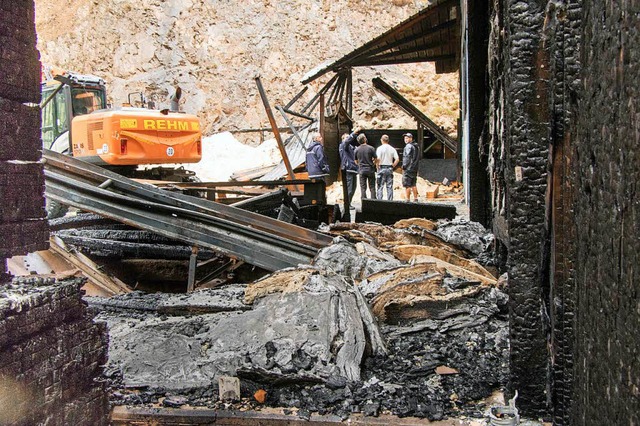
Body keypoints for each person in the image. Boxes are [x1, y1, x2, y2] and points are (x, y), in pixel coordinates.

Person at [339, 127, 361, 203]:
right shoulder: (343, 145)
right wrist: (354, 133)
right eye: (347, 137)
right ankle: (347, 205)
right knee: (349, 188)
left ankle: (349, 203)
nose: (349, 139)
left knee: (354, 188)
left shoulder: (350, 147)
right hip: (348, 168)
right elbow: (347, 142)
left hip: (353, 169)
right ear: (343, 139)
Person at [375, 134, 399, 200]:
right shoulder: (392, 149)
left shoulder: (379, 148)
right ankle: (390, 201)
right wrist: (393, 165)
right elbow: (397, 159)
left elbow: (378, 159)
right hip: (389, 168)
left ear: (381, 140)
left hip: (381, 167)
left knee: (380, 186)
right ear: (388, 140)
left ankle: (379, 201)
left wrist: (377, 167)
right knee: (389, 186)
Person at [354, 133, 377, 200]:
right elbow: (376, 159)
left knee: (363, 187)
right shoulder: (371, 148)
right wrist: (373, 164)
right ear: (365, 139)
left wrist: (360, 165)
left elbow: (355, 161)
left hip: (362, 170)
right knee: (372, 186)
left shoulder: (357, 150)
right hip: (370, 169)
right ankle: (373, 201)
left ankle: (364, 201)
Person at [402, 133, 420, 202]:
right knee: (413, 184)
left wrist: (404, 166)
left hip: (408, 168)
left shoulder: (408, 146)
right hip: (415, 168)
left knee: (407, 185)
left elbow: (407, 157)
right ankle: (415, 198)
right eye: (405, 138)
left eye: (407, 138)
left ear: (411, 138)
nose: (405, 140)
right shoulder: (416, 146)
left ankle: (407, 199)